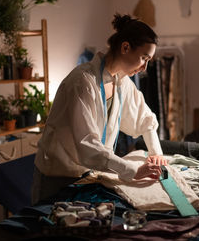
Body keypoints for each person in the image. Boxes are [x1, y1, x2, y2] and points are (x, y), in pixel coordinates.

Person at [31, 14, 168, 204]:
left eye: (148, 61)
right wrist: (133, 171)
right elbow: (88, 145)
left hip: (90, 174)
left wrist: (156, 155)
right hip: (59, 178)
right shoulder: (82, 82)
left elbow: (146, 120)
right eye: (143, 58)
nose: (145, 67)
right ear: (125, 47)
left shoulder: (122, 82)